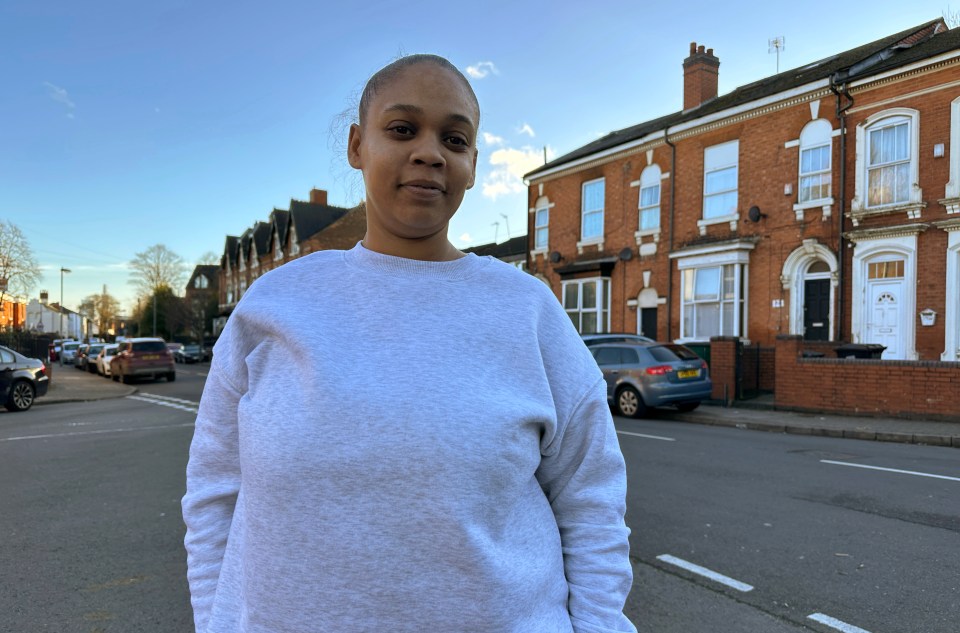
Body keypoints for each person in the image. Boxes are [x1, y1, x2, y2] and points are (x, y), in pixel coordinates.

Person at [182, 53, 636, 633]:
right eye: (402, 129)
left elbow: (590, 498)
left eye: (454, 138)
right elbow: (214, 494)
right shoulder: (273, 305)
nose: (430, 152)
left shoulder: (527, 309)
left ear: (471, 166)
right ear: (356, 146)